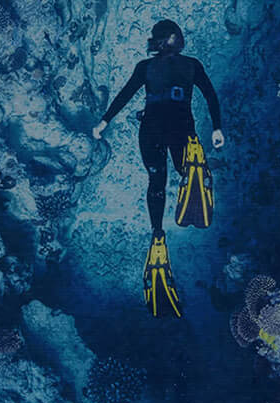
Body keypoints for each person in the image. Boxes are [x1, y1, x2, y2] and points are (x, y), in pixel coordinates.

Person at [92, 20, 224, 316]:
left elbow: (125, 95)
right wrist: (217, 128)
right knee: (183, 169)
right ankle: (193, 171)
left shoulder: (144, 67)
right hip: (181, 127)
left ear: (163, 41)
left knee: (155, 181)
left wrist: (104, 121)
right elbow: (210, 96)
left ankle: (157, 234)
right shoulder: (193, 65)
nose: (150, 40)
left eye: (154, 37)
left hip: (151, 128)